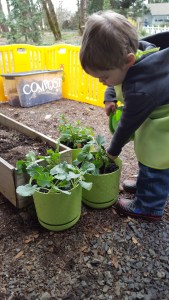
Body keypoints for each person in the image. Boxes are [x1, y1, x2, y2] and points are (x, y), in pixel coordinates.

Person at [79, 10, 169, 221]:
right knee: (147, 153)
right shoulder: (132, 55)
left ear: (129, 60)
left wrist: (112, 152)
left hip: (164, 127)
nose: (102, 82)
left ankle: (148, 206)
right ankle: (146, 182)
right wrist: (109, 98)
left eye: (103, 77)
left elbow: (127, 125)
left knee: (157, 160)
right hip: (153, 118)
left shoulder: (140, 89)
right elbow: (116, 80)